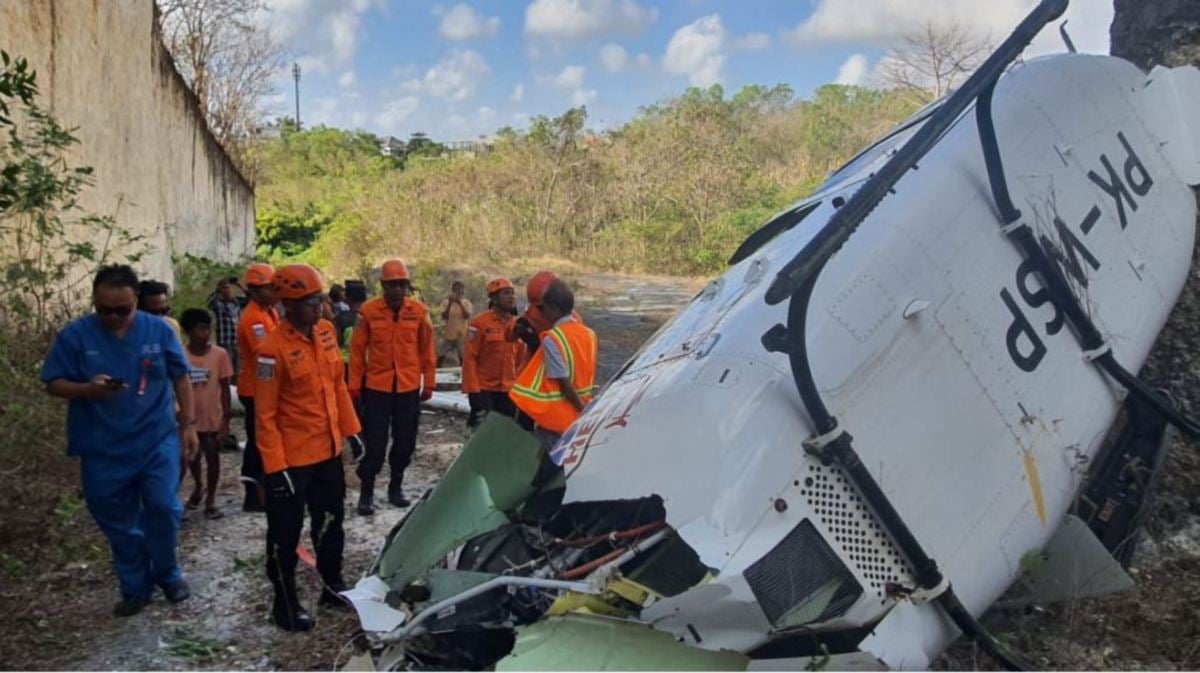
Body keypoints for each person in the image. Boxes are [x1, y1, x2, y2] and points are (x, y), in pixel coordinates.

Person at [41, 265, 199, 617]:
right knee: (118, 521)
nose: (113, 317)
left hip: (156, 440)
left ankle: (168, 573)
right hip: (103, 447)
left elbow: (181, 377)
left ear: (136, 302)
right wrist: (87, 390)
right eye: (104, 309)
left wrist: (188, 425)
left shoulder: (158, 331)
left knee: (163, 508)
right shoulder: (76, 336)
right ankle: (135, 586)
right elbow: (53, 382)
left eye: (122, 309)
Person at [255, 264, 361, 631]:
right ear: (289, 304)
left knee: (332, 524)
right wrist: (274, 466)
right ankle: (284, 605)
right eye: (312, 301)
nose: (321, 307)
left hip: (327, 453)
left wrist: (352, 431)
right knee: (285, 535)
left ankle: (332, 588)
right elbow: (264, 415)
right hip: (292, 460)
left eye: (320, 299)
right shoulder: (272, 350)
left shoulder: (327, 334)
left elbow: (338, 387)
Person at [349, 259, 435, 515]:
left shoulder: (419, 312)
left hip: (407, 388)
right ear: (383, 286)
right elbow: (357, 351)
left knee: (405, 441)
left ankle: (395, 487)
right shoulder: (368, 311)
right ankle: (366, 492)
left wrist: (428, 381)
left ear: (407, 285)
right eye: (392, 285)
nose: (397, 289)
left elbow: (427, 349)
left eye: (401, 284)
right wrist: (354, 385)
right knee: (374, 444)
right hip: (376, 388)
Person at [509, 279, 598, 451]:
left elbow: (563, 382)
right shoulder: (589, 334)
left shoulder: (553, 338)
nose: (542, 314)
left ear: (555, 309)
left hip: (558, 417)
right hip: (580, 410)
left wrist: (582, 409)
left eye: (545, 309)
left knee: (549, 465)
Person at [180, 308, 233, 520]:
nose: (206, 333)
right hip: (190, 418)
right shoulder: (181, 355)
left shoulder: (219, 355)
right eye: (200, 329)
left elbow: (225, 387)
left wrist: (226, 419)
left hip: (212, 416)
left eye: (207, 328)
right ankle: (199, 485)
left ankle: (211, 498)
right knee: (192, 456)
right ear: (188, 332)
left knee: (213, 457)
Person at [235, 263, 278, 512]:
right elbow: (266, 352)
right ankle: (254, 495)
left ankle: (261, 490)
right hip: (255, 390)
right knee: (258, 443)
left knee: (263, 440)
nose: (273, 292)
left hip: (264, 388)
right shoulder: (254, 319)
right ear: (253, 290)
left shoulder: (268, 312)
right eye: (268, 288)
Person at [462, 277, 522, 428]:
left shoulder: (517, 325)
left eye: (512, 293)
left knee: (503, 433)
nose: (511, 297)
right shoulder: (480, 323)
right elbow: (470, 357)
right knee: (480, 432)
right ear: (494, 299)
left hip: (508, 390)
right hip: (484, 390)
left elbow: (521, 359)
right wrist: (473, 390)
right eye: (506, 293)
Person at [207, 276, 247, 374]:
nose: (227, 290)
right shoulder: (218, 305)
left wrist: (239, 285)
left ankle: (236, 388)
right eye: (224, 288)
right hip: (225, 343)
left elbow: (252, 298)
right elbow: (209, 301)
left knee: (238, 371)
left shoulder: (237, 303)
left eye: (228, 287)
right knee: (227, 370)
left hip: (238, 342)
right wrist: (217, 288)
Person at [436, 281, 473, 367]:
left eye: (459, 290)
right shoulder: (446, 302)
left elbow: (467, 316)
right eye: (455, 289)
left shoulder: (466, 303)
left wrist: (459, 303)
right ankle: (437, 372)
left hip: (461, 334)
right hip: (448, 334)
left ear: (463, 291)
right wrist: (450, 303)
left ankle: (463, 373)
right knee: (441, 354)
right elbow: (444, 316)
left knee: (463, 356)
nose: (457, 292)